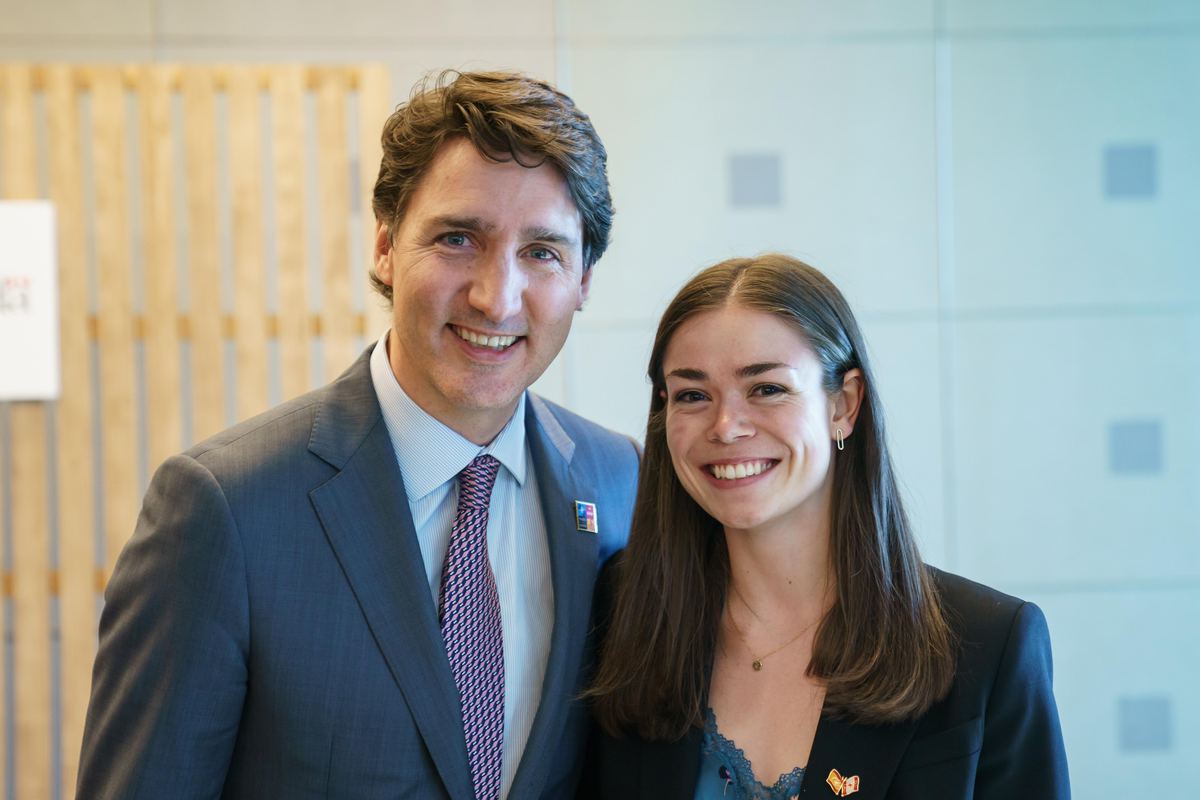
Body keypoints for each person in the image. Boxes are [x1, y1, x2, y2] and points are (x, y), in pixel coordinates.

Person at [77, 70, 638, 799]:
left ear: (584, 280)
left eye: (543, 252)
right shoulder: (225, 511)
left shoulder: (617, 479)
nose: (496, 298)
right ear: (384, 246)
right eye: (458, 238)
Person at [582, 254, 1069, 799]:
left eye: (767, 388)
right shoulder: (620, 610)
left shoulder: (989, 645)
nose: (725, 427)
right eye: (693, 395)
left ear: (844, 404)